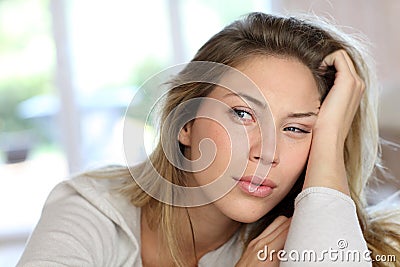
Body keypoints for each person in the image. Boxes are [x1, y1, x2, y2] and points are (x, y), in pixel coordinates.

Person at [18, 12, 400, 266]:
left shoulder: (299, 239)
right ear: (185, 122)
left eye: (296, 129)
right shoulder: (92, 211)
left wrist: (330, 140)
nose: (267, 154)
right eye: (242, 114)